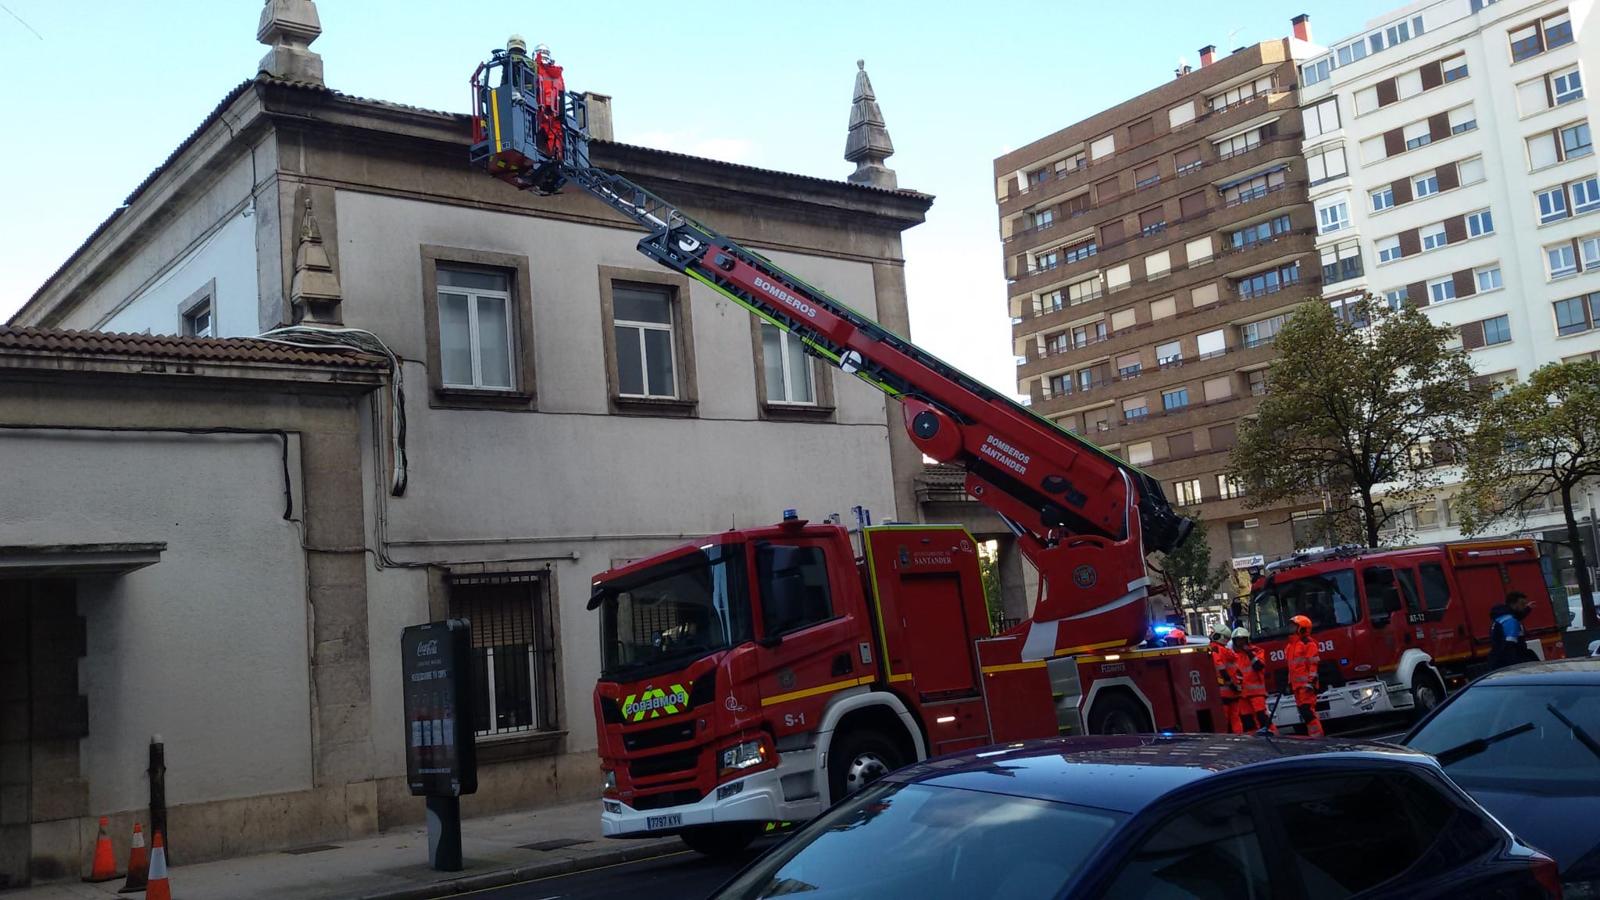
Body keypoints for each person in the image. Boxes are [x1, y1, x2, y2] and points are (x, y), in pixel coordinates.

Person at [1285, 614, 1325, 738]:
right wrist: (1289, 683)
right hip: (1297, 686)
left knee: (1307, 712)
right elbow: (1292, 668)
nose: (1290, 628)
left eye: (1294, 626)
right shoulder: (1290, 646)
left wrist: (1311, 682)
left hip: (1306, 685)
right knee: (1304, 712)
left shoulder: (1308, 644)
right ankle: (1314, 736)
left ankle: (1318, 737)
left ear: (1302, 628)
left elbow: (1313, 664)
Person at [1232, 627, 1276, 734]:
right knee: (1248, 721)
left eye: (1242, 639)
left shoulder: (1257, 651)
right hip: (1242, 694)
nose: (1240, 642)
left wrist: (1249, 653)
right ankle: (1254, 742)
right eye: (1238, 640)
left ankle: (1274, 736)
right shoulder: (1233, 656)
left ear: (1247, 640)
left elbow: (1259, 666)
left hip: (1256, 693)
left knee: (1262, 717)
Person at [1487, 591, 1539, 669]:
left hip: (1497, 661)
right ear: (1513, 604)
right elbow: (1509, 646)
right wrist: (1517, 667)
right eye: (1522, 604)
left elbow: (1517, 615)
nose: (1524, 606)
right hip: (1511, 662)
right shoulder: (1511, 621)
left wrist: (1528, 608)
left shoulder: (1501, 617)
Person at [1209, 626, 1243, 734]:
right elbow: (1237, 671)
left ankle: (1226, 741)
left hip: (1223, 692)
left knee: (1224, 720)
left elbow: (1219, 666)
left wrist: (1228, 682)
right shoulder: (1228, 651)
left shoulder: (1215, 649)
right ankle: (1239, 738)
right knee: (1235, 718)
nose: (1211, 634)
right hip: (1233, 691)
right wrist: (1235, 685)